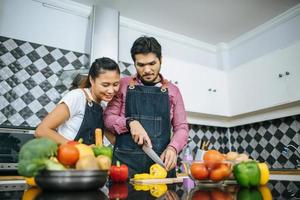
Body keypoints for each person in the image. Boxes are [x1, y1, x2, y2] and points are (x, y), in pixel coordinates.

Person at [104, 36, 189, 177]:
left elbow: (182, 127)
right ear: (134, 63)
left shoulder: (173, 91)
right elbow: (107, 118)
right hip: (125, 167)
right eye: (141, 65)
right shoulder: (123, 84)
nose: (147, 70)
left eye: (152, 63)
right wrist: (130, 122)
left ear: (161, 60)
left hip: (160, 167)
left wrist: (173, 149)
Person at [35, 57, 120, 145]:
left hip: (87, 158)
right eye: (105, 85)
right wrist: (79, 148)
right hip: (67, 156)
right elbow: (42, 131)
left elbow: (114, 140)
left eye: (116, 84)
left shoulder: (102, 107)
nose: (111, 90)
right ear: (92, 80)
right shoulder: (77, 96)